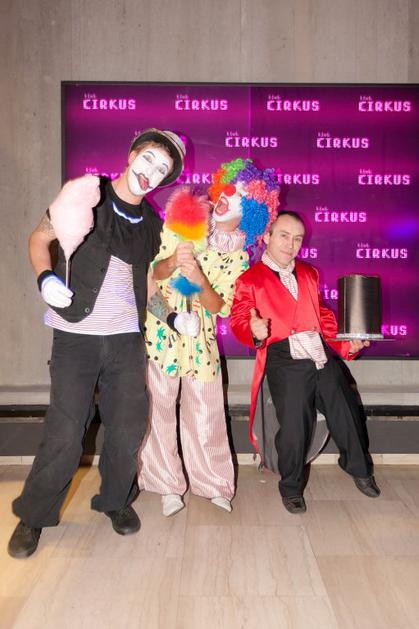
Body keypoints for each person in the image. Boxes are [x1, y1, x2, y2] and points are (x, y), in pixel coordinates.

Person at [8, 128, 200, 558]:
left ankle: (115, 500)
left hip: (126, 341)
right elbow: (39, 238)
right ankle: (34, 515)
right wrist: (45, 277)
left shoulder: (151, 224)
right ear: (132, 154)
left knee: (129, 427)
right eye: (149, 159)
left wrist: (171, 317)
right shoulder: (87, 194)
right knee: (65, 431)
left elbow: (146, 285)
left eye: (162, 170)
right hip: (76, 338)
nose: (151, 172)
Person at [138, 158, 280, 516]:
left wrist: (200, 281)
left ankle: (213, 484)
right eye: (228, 186)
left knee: (206, 411)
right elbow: (153, 273)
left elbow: (221, 307)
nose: (227, 194)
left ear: (251, 212)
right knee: (159, 409)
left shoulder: (239, 259)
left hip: (200, 340)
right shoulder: (184, 221)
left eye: (240, 194)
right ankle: (166, 483)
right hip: (163, 328)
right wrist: (174, 261)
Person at [230, 211, 380, 514]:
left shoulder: (310, 273)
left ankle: (359, 469)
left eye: (297, 239)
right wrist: (253, 330)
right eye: (284, 236)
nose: (291, 244)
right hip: (284, 357)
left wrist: (347, 344)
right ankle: (291, 487)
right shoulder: (249, 279)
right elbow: (239, 319)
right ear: (267, 237)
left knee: (346, 410)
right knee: (295, 425)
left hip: (318, 350)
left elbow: (323, 317)